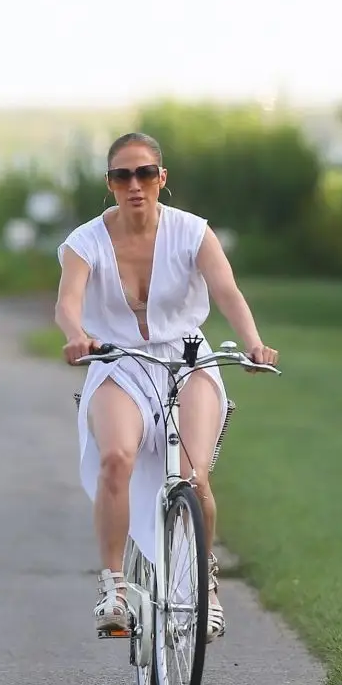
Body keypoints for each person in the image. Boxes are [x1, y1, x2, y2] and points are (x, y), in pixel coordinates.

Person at [54, 132, 279, 643]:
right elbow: (69, 300)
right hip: (117, 359)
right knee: (116, 457)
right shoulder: (85, 241)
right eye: (121, 175)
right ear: (109, 183)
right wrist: (76, 336)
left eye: (144, 174)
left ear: (162, 179)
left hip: (187, 356)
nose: (134, 185)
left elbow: (226, 290)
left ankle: (206, 582)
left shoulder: (192, 233)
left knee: (194, 476)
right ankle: (113, 586)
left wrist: (254, 345)